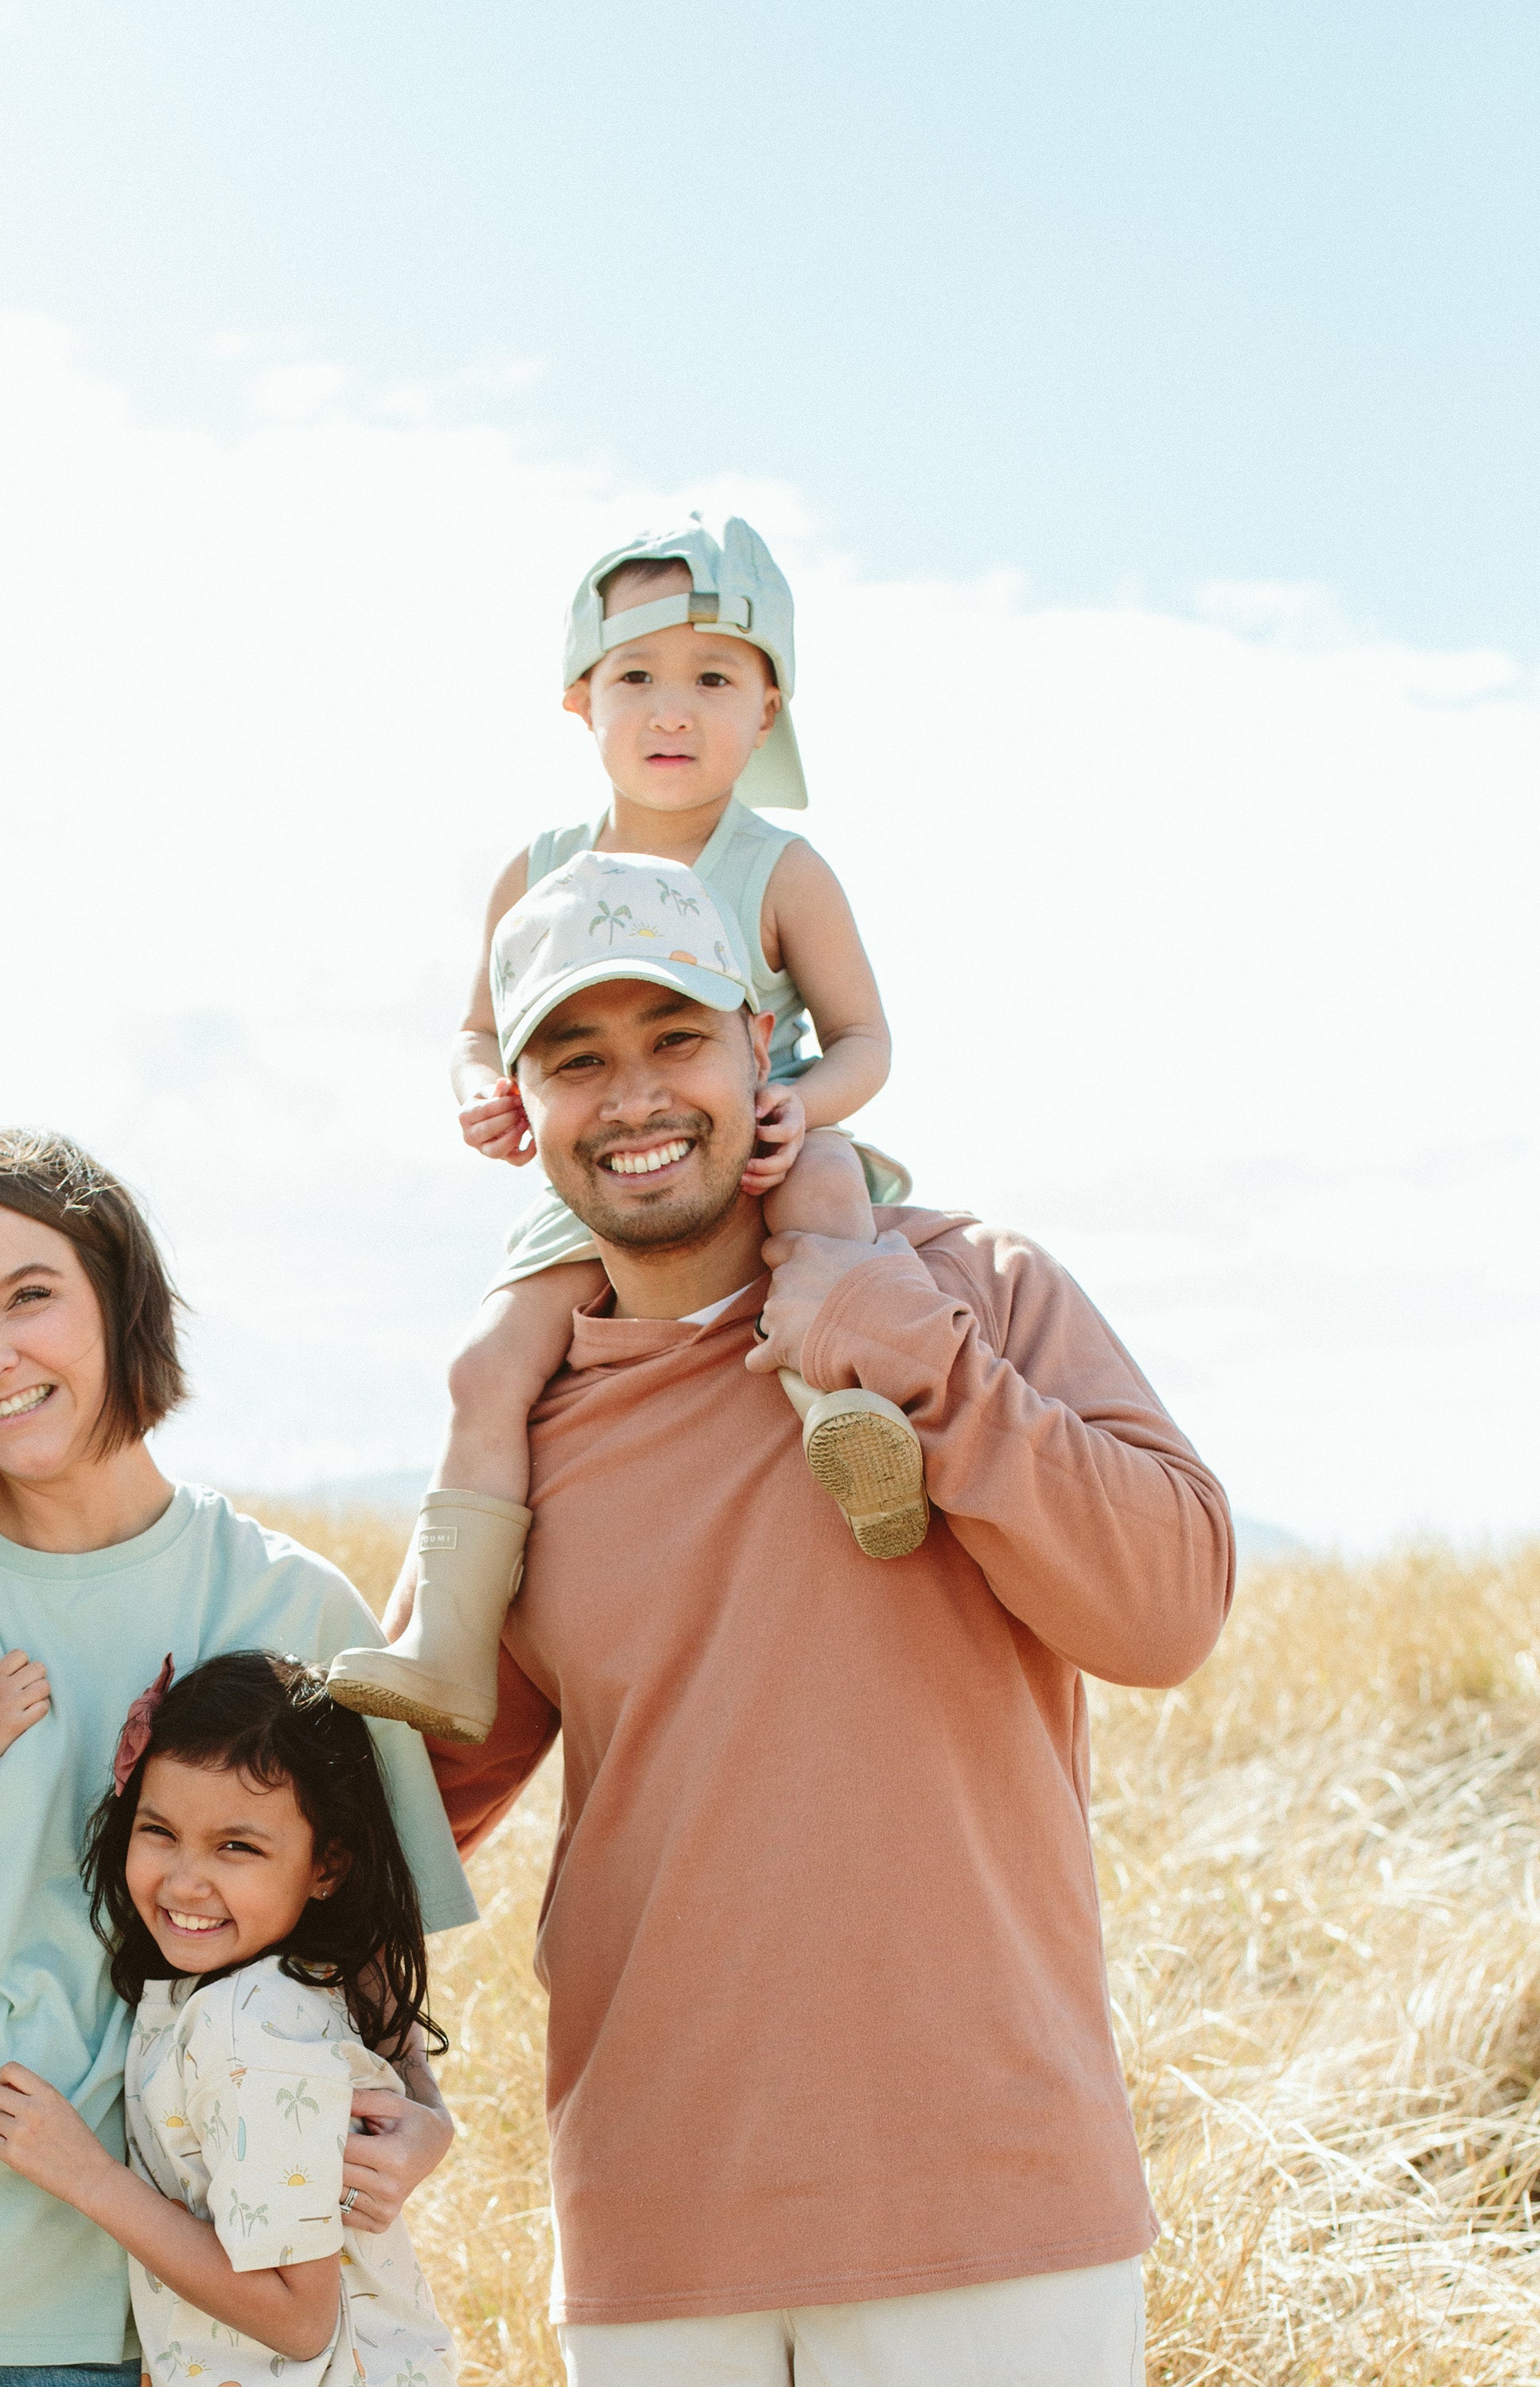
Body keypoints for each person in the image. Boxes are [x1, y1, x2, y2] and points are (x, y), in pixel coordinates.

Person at [414, 860, 1237, 2386]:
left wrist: (917, 1359)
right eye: (576, 1060)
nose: (634, 1096)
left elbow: (1170, 1610)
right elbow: (406, 1798)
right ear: (524, 1108)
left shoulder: (972, 1287)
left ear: (761, 1047)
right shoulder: (530, 1412)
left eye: (676, 1038)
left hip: (998, 2226)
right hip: (660, 2246)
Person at [327, 516, 928, 1747]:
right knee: (489, 1366)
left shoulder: (782, 869)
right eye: (637, 676)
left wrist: (797, 1108)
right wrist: (479, 1089)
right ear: (577, 703)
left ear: (768, 711)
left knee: (823, 1207)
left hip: (761, 1133)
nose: (674, 709)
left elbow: (867, 1039)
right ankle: (446, 1646)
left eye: (715, 679)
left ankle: (840, 1418)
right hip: (607, 1168)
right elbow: (478, 1030)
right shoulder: (539, 872)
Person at [0, 1127, 476, 2385]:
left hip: (227, 2315)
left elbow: (373, 1970)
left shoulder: (292, 1612)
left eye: (29, 1297)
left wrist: (430, 2129)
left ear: (122, 1301)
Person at [0, 1650, 457, 2387]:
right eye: (159, 1831)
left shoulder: (255, 2024)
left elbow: (299, 2322)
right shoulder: (226, 1997)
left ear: (326, 1866)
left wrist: (87, 2178)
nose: (184, 1880)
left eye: (237, 1846)